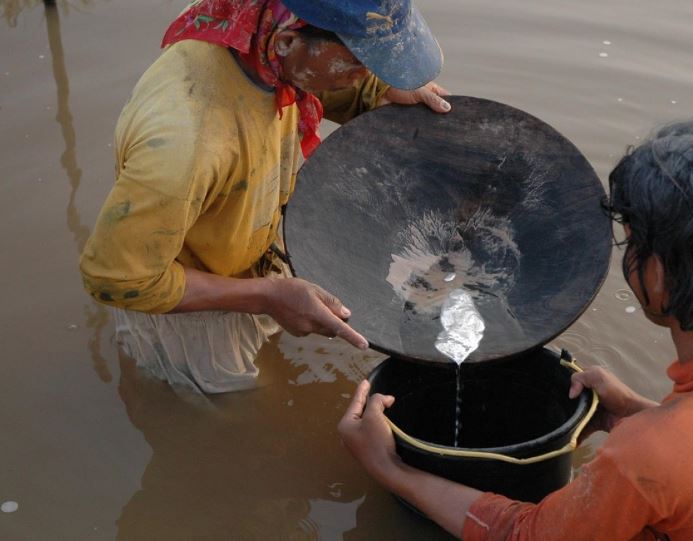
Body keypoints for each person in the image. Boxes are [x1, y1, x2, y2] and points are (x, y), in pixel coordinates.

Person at [339, 120, 693, 540]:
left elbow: (523, 535)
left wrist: (392, 470)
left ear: (662, 274)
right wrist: (636, 413)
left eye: (632, 243)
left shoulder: (650, 457)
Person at [79, 0, 451, 393]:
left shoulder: (257, 28)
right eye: (359, 63)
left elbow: (316, 76)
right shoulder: (184, 144)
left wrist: (383, 92)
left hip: (248, 241)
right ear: (288, 41)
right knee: (221, 414)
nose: (367, 75)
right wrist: (264, 296)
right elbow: (118, 279)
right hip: (189, 301)